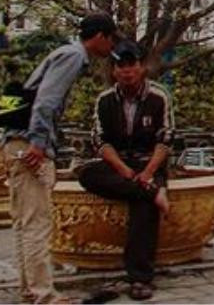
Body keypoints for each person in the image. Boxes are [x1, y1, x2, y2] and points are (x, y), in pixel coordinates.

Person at [1, 12, 118, 305]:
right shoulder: (74, 56)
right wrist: (39, 143)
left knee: (25, 223)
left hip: (14, 141)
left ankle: (31, 290)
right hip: (29, 144)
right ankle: (44, 295)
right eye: (111, 39)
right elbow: (47, 101)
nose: (111, 47)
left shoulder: (63, 52)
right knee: (37, 222)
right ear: (101, 36)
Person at [77, 39, 175, 302]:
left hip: (148, 161)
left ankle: (140, 279)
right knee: (87, 174)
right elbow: (100, 141)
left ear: (141, 67)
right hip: (119, 164)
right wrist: (126, 173)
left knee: (143, 208)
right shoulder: (105, 100)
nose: (127, 71)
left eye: (132, 65)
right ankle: (152, 192)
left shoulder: (158, 96)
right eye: (121, 66)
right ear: (114, 71)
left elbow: (165, 139)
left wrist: (148, 172)